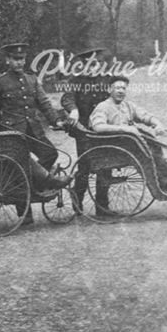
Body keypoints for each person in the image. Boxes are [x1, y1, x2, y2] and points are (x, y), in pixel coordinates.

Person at [0, 42, 65, 224]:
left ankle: (36, 185)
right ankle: (25, 210)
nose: (19, 63)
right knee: (20, 166)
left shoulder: (32, 79)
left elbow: (44, 103)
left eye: (22, 59)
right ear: (7, 60)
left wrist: (56, 121)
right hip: (12, 133)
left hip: (32, 129)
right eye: (15, 59)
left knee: (50, 153)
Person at [90, 76, 167, 197]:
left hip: (131, 144)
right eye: (117, 88)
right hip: (115, 147)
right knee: (152, 156)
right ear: (109, 90)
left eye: (123, 88)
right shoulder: (103, 107)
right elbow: (98, 127)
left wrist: (157, 123)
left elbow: (145, 116)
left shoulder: (128, 105)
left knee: (156, 155)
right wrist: (124, 128)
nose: (121, 91)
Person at [60, 47, 114, 214]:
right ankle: (78, 202)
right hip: (84, 130)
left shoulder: (106, 80)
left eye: (95, 64)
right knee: (84, 166)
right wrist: (73, 110)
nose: (92, 68)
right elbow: (67, 98)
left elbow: (116, 97)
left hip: (104, 129)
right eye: (88, 65)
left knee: (106, 166)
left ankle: (102, 206)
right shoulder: (75, 80)